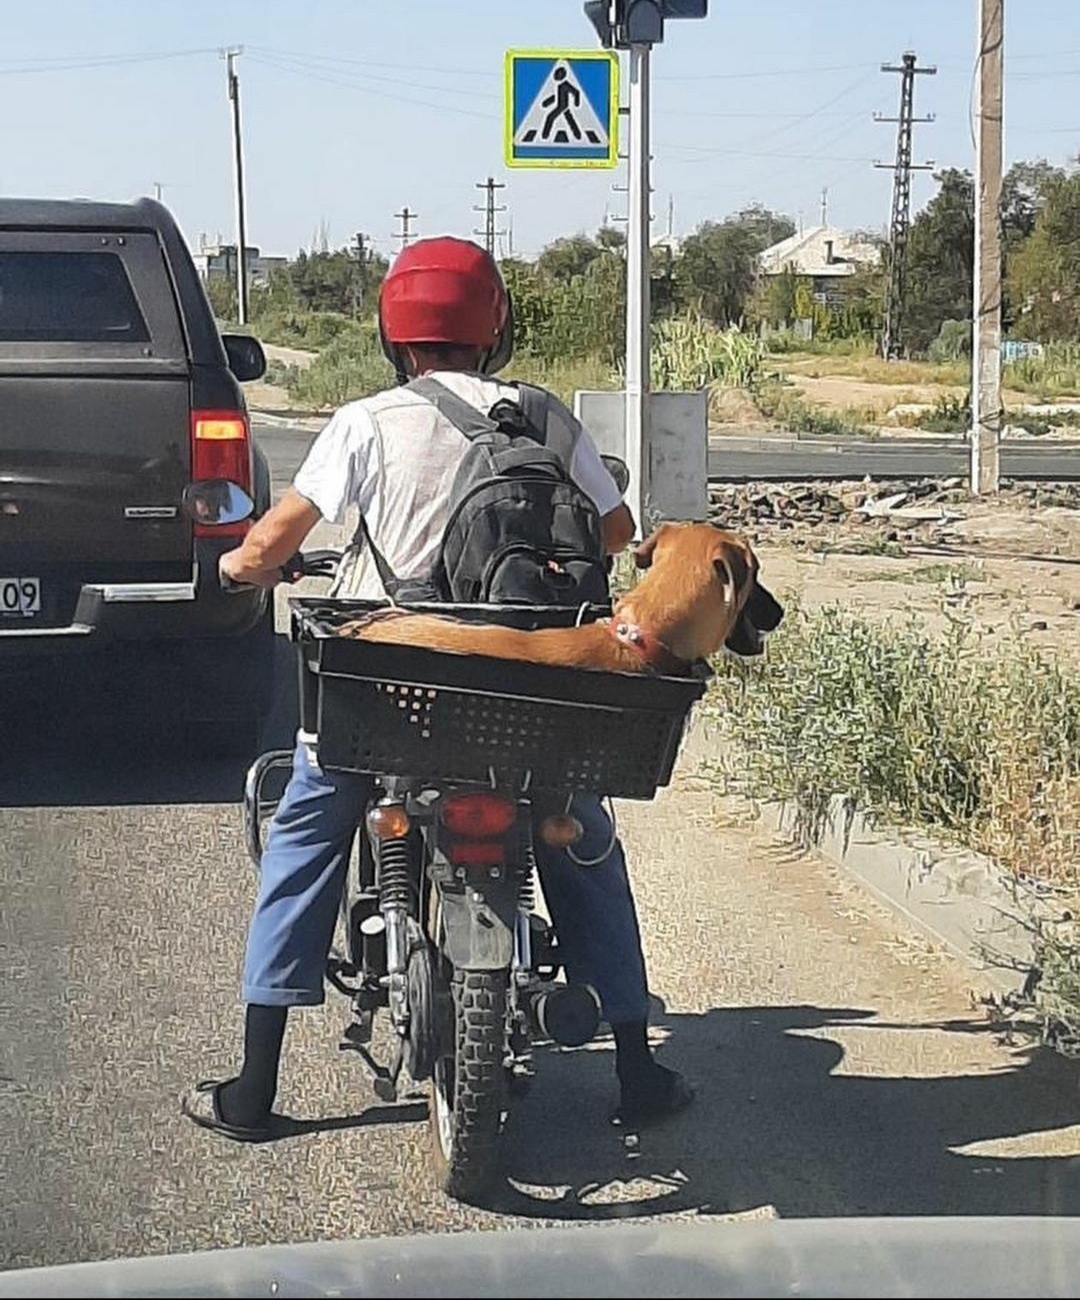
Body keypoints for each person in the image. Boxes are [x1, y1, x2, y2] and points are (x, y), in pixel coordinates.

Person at [182, 236, 693, 1142]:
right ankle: (638, 1067)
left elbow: (266, 548)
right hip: (534, 699)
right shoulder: (544, 419)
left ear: (392, 331)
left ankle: (254, 1091)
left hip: (394, 692)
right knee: (583, 843)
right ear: (494, 325)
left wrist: (235, 573)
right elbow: (614, 536)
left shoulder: (366, 423)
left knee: (306, 832)